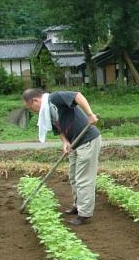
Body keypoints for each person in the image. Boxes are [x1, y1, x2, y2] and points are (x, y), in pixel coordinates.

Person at [22, 88, 101, 226]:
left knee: (84, 178)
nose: (32, 111)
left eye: (31, 107)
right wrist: (65, 142)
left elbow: (78, 95)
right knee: (73, 176)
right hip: (75, 143)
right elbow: (58, 128)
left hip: (87, 139)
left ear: (35, 100)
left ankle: (85, 214)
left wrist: (90, 114)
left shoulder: (55, 98)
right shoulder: (47, 111)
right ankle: (78, 206)